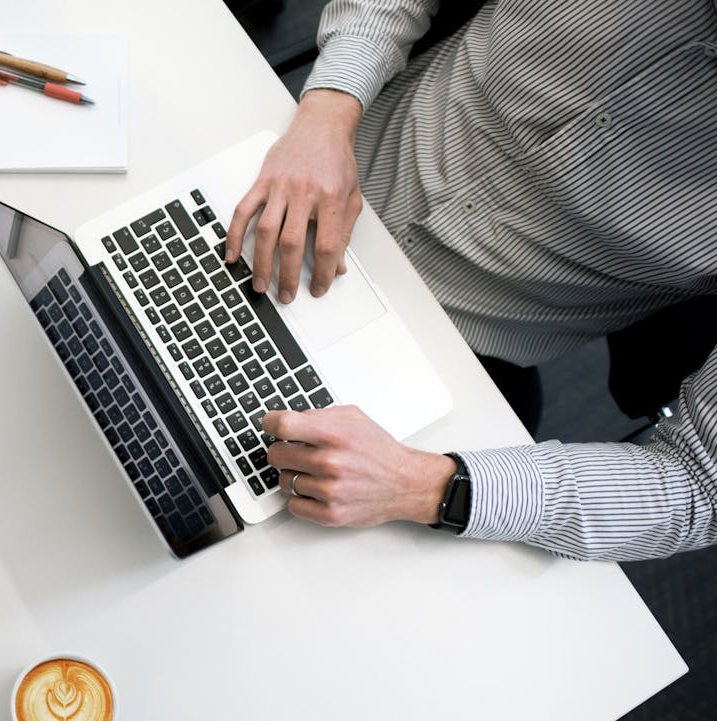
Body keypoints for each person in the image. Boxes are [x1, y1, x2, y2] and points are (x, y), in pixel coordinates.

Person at [226, 0, 717, 561]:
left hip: (452, 356)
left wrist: (426, 486)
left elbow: (697, 488)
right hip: (307, 165)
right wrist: (328, 111)